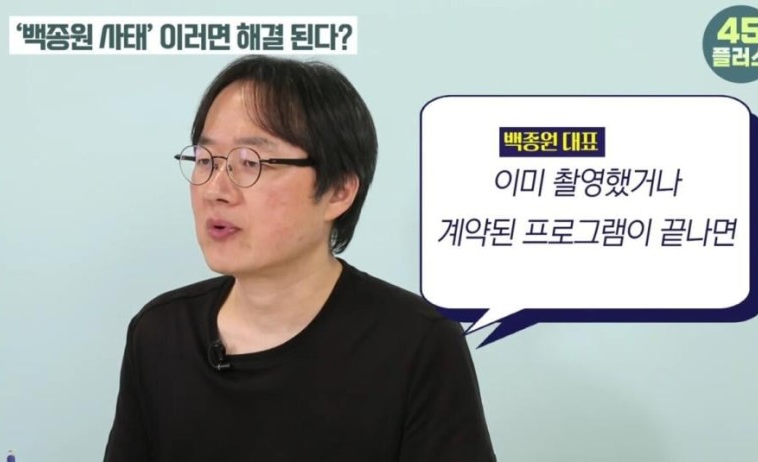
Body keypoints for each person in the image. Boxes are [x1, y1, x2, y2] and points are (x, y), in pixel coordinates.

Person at [103, 55, 495, 461]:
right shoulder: (160, 334)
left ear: (339, 191)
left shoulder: (416, 345)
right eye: (205, 160)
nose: (215, 190)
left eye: (249, 163)